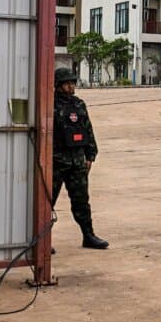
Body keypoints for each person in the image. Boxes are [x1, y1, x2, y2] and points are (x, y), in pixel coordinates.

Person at [53, 67, 108, 249]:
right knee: (47, 202)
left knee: (81, 201)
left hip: (77, 161)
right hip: (56, 161)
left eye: (73, 83)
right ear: (58, 85)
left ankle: (88, 235)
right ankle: (42, 241)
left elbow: (87, 129)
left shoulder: (78, 104)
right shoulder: (49, 104)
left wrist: (90, 155)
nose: (71, 86)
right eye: (67, 83)